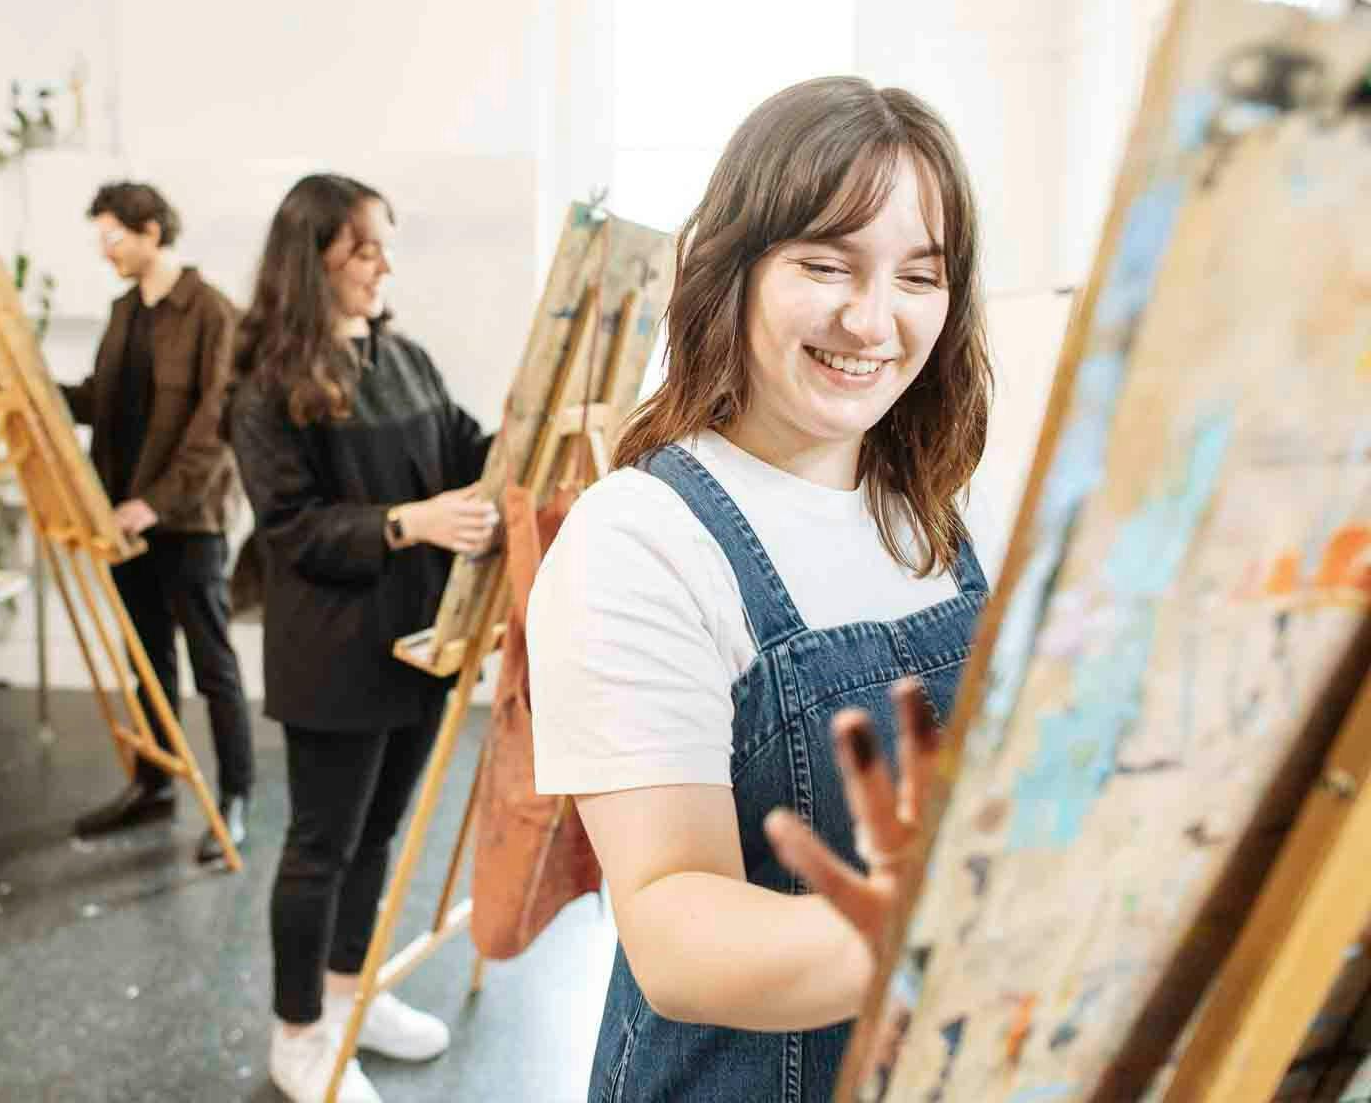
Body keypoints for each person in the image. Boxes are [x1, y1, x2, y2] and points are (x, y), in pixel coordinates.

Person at [527, 77, 999, 1102]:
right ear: (732, 271)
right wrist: (934, 932)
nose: (871, 320)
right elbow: (673, 931)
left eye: (919, 277)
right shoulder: (641, 539)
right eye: (826, 265)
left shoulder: (937, 515)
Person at [225, 174, 498, 1103]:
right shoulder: (268, 387)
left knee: (378, 834)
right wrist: (409, 525)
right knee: (320, 847)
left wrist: (551, 420)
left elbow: (469, 450)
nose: (386, 263)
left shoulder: (404, 357)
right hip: (334, 654)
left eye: (386, 243)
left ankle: (349, 996)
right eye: (366, 248)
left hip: (419, 642)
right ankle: (298, 1034)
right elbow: (294, 529)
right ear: (315, 262)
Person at [60, 181, 256, 864]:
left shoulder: (212, 311)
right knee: (147, 662)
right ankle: (156, 784)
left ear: (151, 231)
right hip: (125, 518)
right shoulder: (123, 312)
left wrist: (158, 501)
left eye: (114, 237)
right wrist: (37, 391)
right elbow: (102, 403)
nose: (106, 251)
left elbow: (215, 427)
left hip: (187, 519)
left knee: (213, 667)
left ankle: (235, 798)